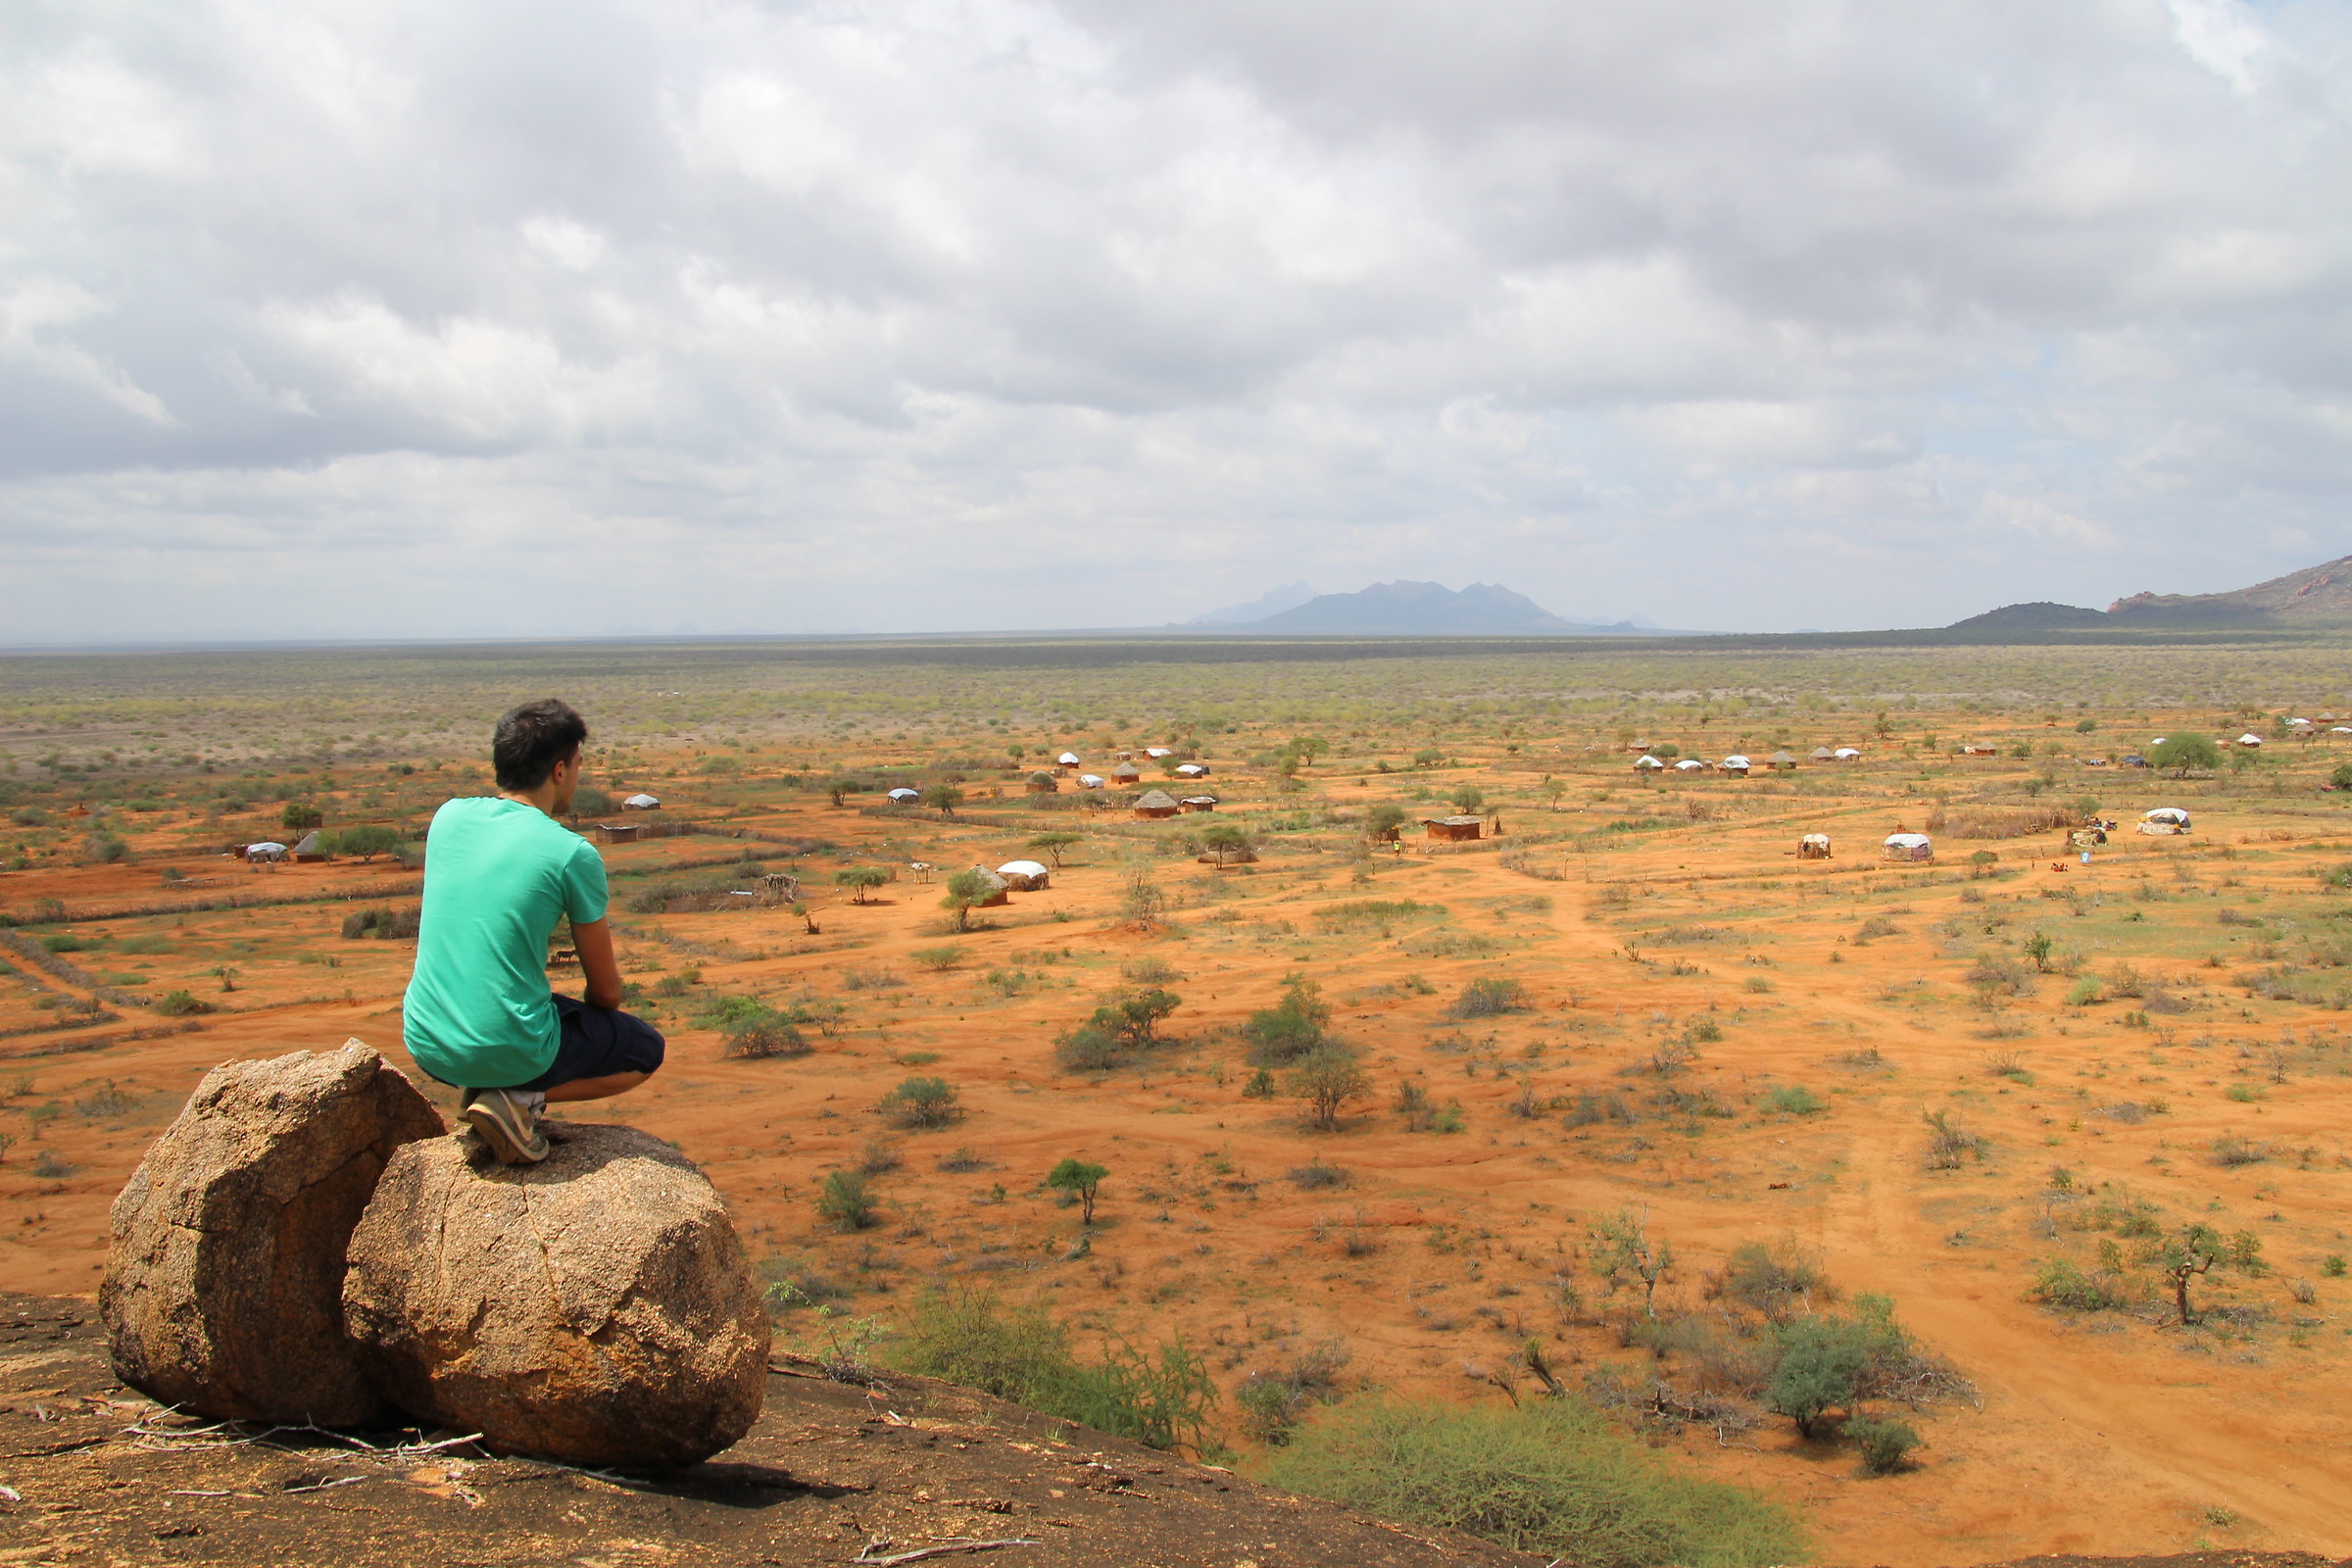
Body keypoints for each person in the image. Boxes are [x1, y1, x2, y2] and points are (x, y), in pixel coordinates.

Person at [403, 699, 663, 1164]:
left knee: (532, 1005)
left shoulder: (448, 818)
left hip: (428, 1041)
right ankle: (518, 1098)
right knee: (644, 1049)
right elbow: (605, 994)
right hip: (506, 1044)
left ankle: (492, 1084)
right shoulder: (571, 853)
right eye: (579, 763)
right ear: (560, 771)